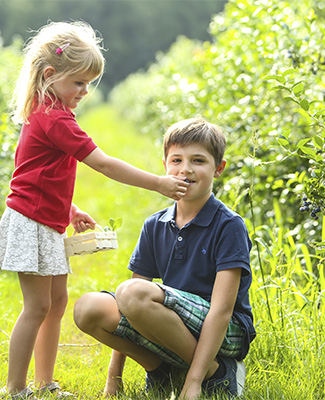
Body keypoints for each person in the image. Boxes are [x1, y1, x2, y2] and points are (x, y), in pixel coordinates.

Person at [0, 21, 189, 400]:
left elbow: (36, 174)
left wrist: (68, 208)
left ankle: (45, 383)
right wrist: (159, 183)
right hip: (31, 222)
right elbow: (104, 164)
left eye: (88, 83)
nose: (85, 91)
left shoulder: (46, 110)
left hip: (44, 218)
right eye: (78, 82)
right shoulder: (55, 118)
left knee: (56, 302)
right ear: (51, 75)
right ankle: (14, 389)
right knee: (38, 305)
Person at [73, 118, 255, 400]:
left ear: (218, 169)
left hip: (227, 330)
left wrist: (193, 383)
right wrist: (114, 378)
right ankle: (161, 371)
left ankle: (216, 374)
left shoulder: (228, 225)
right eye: (177, 160)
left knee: (133, 293)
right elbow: (126, 305)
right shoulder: (155, 225)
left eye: (198, 161)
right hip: (176, 321)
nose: (186, 169)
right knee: (89, 308)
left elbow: (221, 310)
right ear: (165, 166)